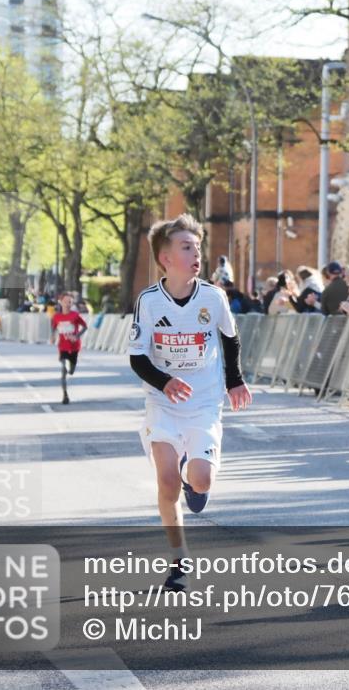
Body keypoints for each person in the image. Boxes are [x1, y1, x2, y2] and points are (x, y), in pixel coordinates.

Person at [128, 213, 252, 592]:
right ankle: (179, 560)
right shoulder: (148, 302)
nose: (196, 253)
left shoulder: (213, 298)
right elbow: (137, 356)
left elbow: (230, 340)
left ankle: (193, 476)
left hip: (202, 403)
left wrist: (235, 382)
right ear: (165, 258)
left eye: (198, 247)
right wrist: (164, 383)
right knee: (165, 483)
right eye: (186, 247)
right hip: (163, 404)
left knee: (200, 478)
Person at [50, 292, 89, 405]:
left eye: (70, 302)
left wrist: (76, 336)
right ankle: (65, 395)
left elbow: (85, 327)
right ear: (61, 302)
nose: (68, 303)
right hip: (63, 347)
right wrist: (52, 336)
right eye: (66, 301)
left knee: (70, 371)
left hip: (74, 347)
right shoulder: (56, 316)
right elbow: (53, 328)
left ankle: (69, 367)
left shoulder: (75, 316)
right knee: (63, 370)